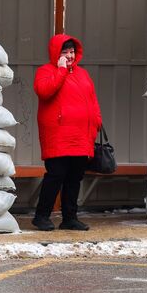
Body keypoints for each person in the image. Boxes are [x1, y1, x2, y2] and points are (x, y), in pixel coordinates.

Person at [32, 34, 102, 231]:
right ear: (56, 53)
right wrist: (61, 70)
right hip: (59, 135)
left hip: (81, 136)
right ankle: (41, 216)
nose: (70, 56)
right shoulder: (45, 71)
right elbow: (44, 91)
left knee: (75, 177)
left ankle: (70, 218)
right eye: (65, 52)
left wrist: (96, 121)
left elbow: (92, 99)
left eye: (72, 52)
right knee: (56, 175)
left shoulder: (83, 74)